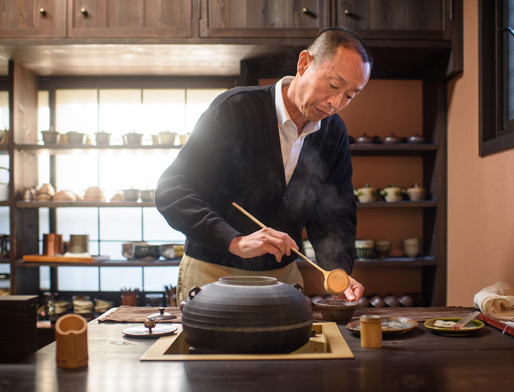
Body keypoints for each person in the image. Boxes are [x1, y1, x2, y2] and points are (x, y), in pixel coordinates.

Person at [156, 27, 371, 303]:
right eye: (333, 85)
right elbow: (172, 190)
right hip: (213, 273)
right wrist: (236, 241)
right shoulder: (235, 109)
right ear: (304, 63)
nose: (335, 103)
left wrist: (338, 270)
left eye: (349, 95)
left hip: (283, 277)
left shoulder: (333, 133)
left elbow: (335, 216)